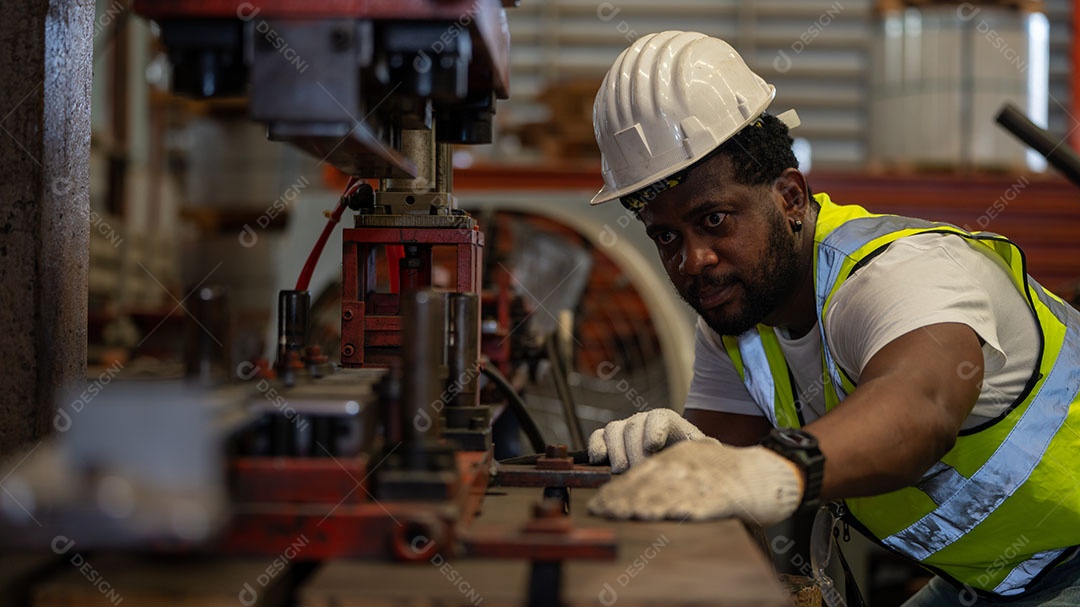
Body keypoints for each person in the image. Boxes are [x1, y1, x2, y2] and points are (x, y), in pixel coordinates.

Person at [585, 30, 1080, 606]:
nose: (693, 260)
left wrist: (769, 471)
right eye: (666, 236)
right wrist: (678, 455)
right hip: (993, 583)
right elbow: (712, 488)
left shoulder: (901, 273)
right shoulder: (737, 326)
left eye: (714, 219)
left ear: (790, 197)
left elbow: (919, 407)